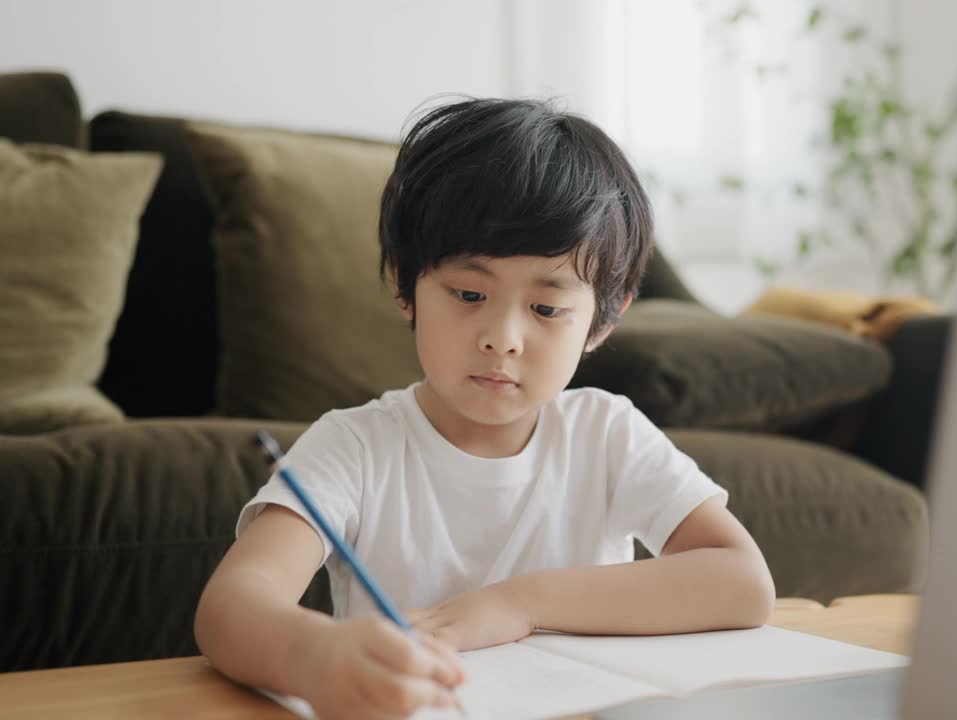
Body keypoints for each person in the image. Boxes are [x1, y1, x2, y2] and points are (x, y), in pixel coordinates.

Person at [194, 98, 776, 719]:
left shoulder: (606, 434)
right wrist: (316, 657)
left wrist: (520, 603)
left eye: (547, 310)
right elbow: (231, 607)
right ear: (403, 281)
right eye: (469, 293)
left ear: (604, 320)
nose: (503, 337)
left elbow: (742, 582)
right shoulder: (355, 447)